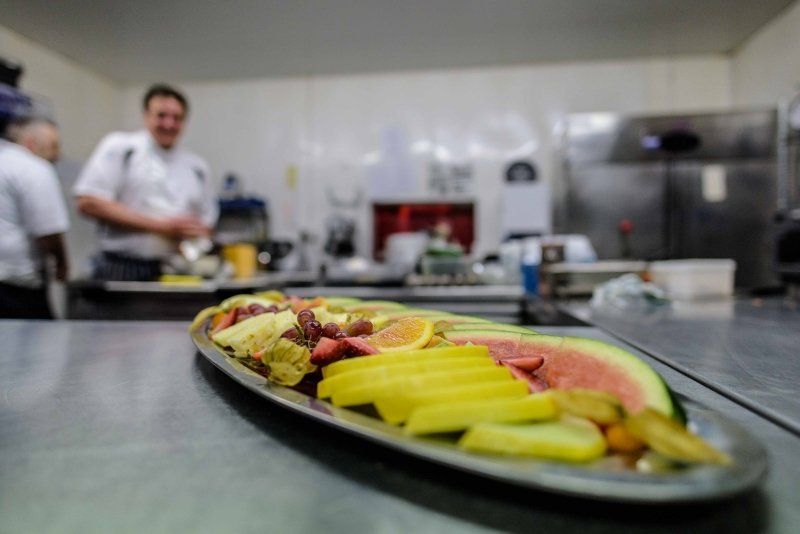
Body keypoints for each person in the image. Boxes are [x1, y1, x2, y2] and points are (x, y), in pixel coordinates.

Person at [73, 84, 218, 281]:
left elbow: (207, 222)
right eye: (161, 115)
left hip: (174, 271)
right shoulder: (121, 147)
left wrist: (195, 232)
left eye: (177, 118)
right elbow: (89, 202)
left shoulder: (197, 167)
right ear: (146, 116)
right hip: (121, 267)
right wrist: (161, 226)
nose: (169, 124)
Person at [0, 122, 69, 319]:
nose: (59, 154)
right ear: (31, 143)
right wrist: (62, 264)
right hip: (16, 286)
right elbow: (48, 229)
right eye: (54, 145)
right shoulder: (35, 168)